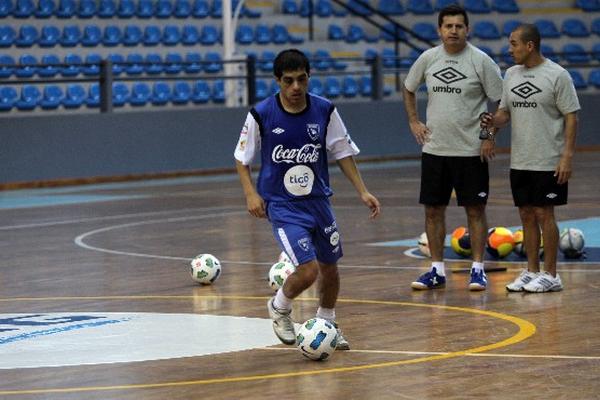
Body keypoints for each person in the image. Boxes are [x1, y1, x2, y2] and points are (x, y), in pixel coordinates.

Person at [234, 49, 381, 348]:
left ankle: (327, 321)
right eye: (288, 81)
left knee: (330, 267)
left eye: (302, 80)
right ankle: (279, 307)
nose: (296, 88)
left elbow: (342, 151)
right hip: (282, 205)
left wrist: (362, 190)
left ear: (309, 77)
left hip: (318, 202)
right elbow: (241, 157)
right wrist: (251, 193)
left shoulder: (325, 110)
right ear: (277, 81)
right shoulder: (261, 114)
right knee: (309, 269)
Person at [402, 5, 503, 291]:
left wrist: (488, 135)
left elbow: (500, 102)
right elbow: (409, 87)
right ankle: (436, 270)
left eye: (459, 26)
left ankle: (478, 269)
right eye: (448, 26)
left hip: (471, 151)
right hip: (435, 150)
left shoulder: (481, 62)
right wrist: (413, 121)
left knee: (475, 209)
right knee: (433, 210)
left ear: (467, 30)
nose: (454, 31)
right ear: (440, 30)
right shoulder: (428, 58)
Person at [480, 24, 580, 293]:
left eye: (513, 44)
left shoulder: (557, 75)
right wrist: (489, 130)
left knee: (544, 214)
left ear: (529, 46)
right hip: (520, 159)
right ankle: (531, 271)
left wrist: (567, 156)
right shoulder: (511, 75)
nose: (509, 49)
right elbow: (503, 114)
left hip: (548, 159)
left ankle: (552, 275)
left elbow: (571, 116)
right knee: (525, 214)